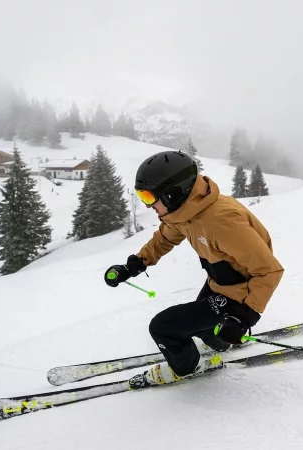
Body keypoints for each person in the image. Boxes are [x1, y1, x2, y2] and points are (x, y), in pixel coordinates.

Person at [104, 150, 283, 387]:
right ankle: (221, 341)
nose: (148, 206)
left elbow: (269, 270)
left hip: (239, 294)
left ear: (171, 193)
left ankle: (187, 367)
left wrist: (243, 317)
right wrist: (135, 265)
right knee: (202, 324)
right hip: (219, 282)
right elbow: (164, 238)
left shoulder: (222, 221)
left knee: (163, 328)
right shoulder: (185, 212)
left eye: (148, 197)